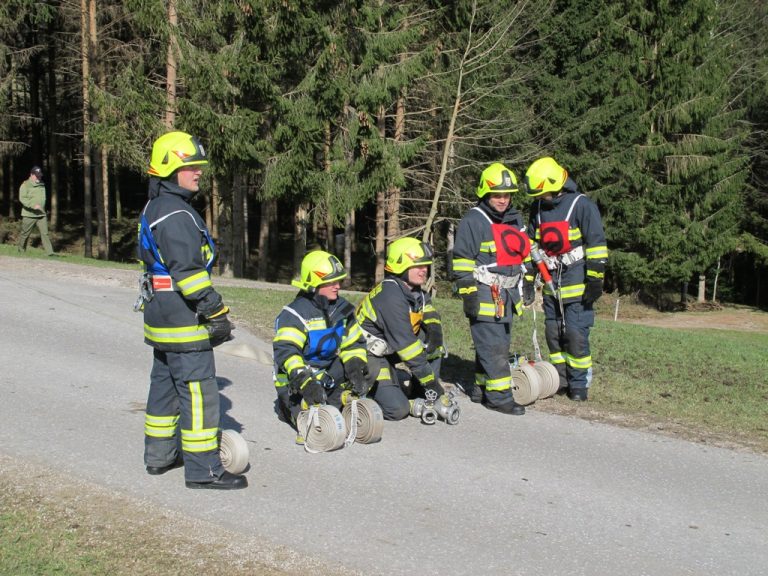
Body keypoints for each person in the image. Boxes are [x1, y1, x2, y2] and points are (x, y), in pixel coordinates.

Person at [136, 131, 246, 490]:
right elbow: (187, 271)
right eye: (190, 166)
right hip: (184, 317)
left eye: (199, 166)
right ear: (169, 168)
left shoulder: (157, 206)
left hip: (161, 315)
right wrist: (214, 310)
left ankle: (160, 456)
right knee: (199, 393)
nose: (198, 172)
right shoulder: (175, 214)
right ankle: (204, 470)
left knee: (164, 387)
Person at [523, 157, 608, 401]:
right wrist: (529, 277)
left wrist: (595, 279)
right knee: (553, 332)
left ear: (555, 186)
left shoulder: (582, 205)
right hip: (551, 282)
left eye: (543, 194)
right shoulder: (538, 209)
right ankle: (560, 379)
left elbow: (597, 244)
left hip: (578, 282)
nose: (539, 199)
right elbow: (531, 244)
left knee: (575, 333)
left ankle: (579, 384)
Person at [452, 162, 530, 416]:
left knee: (497, 343)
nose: (503, 200)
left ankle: (481, 389)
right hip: (484, 293)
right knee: (494, 346)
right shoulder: (474, 220)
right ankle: (499, 397)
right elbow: (461, 261)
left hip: (507, 295)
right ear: (485, 193)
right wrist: (468, 294)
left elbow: (523, 252)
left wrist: (527, 280)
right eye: (497, 194)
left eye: (507, 195)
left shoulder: (514, 218)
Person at [272, 250, 373, 442]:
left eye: (339, 281)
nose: (337, 286)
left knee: (334, 412)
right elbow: (287, 353)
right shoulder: (294, 314)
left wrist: (355, 367)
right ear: (313, 283)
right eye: (330, 282)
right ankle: (286, 409)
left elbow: (354, 343)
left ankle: (337, 400)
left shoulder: (342, 309)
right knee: (311, 424)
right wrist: (305, 382)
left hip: (325, 370)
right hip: (297, 378)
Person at [356, 237, 447, 420]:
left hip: (390, 348)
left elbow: (426, 308)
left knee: (434, 344)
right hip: (369, 355)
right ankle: (364, 392)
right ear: (400, 266)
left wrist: (434, 330)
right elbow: (408, 347)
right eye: (418, 266)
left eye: (426, 265)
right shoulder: (390, 296)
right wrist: (432, 383)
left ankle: (422, 392)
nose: (424, 270)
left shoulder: (415, 289)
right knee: (398, 410)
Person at [17, 166, 56, 256]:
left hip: (41, 214)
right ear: (31, 175)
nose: (39, 177)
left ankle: (50, 252)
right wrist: (33, 205)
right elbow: (22, 198)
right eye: (37, 175)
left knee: (45, 233)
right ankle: (21, 250)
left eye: (40, 175)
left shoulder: (42, 184)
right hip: (29, 214)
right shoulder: (25, 185)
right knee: (25, 234)